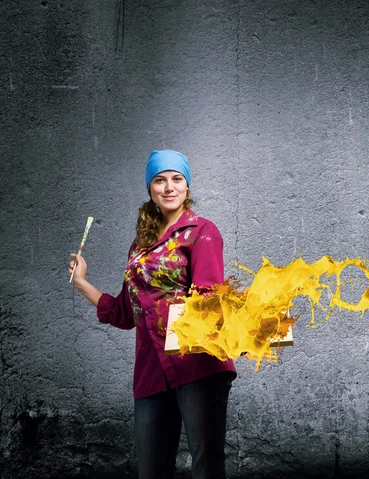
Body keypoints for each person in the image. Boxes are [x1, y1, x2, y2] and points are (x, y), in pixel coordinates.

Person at [69, 149, 237, 479]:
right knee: (151, 471)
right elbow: (123, 313)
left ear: (187, 187)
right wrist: (81, 282)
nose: (169, 187)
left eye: (177, 179)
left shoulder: (202, 232)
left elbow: (207, 298)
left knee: (206, 469)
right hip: (151, 372)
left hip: (197, 365)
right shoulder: (140, 247)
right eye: (159, 180)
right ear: (150, 189)